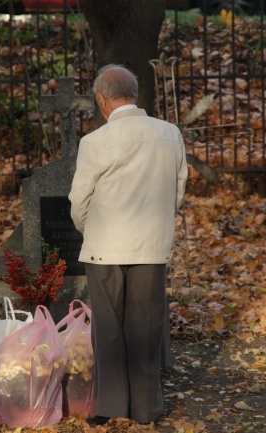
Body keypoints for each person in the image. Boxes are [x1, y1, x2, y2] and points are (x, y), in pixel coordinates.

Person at [68, 64, 188, 425]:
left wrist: (94, 229)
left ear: (102, 99)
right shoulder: (170, 134)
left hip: (105, 247)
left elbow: (79, 201)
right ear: (133, 94)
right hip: (151, 246)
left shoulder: (94, 142)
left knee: (108, 329)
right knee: (146, 327)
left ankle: (111, 408)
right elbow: (177, 192)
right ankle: (147, 408)